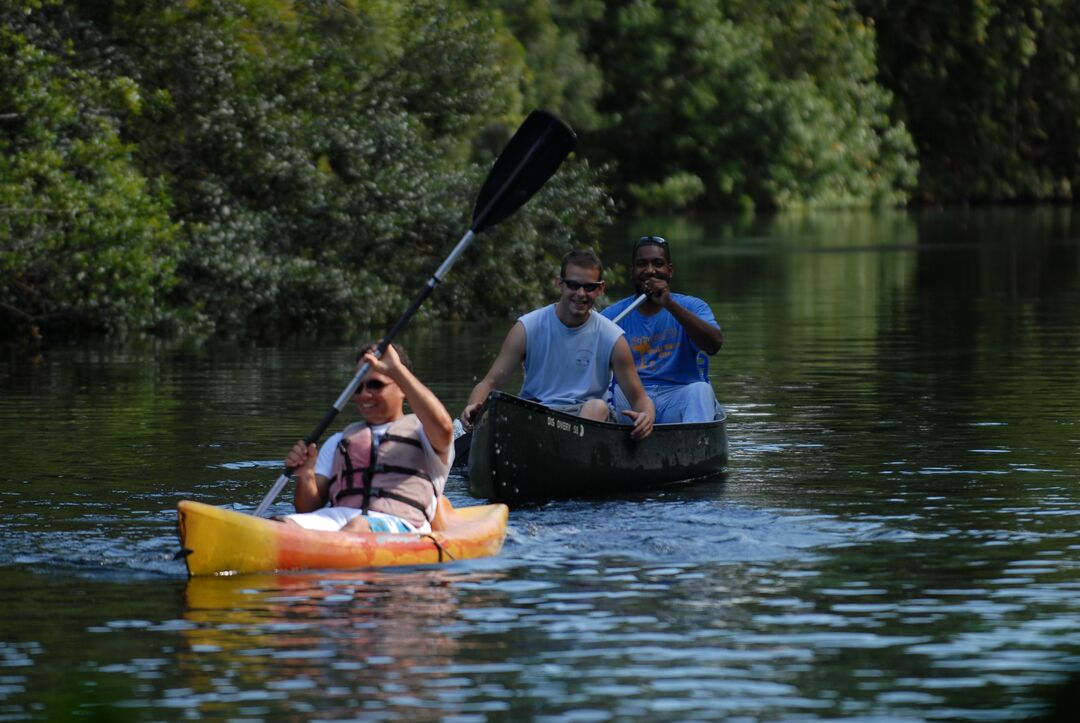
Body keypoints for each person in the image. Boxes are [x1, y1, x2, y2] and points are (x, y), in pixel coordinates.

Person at [461, 248, 655, 440]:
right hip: (536, 413)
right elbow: (490, 383)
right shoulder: (527, 328)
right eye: (573, 285)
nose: (580, 294)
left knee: (598, 406)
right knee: (499, 404)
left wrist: (646, 417)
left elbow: (639, 398)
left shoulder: (612, 337)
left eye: (589, 287)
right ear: (559, 284)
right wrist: (474, 406)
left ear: (600, 289)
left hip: (587, 417)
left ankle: (570, 457)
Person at [280, 342, 454, 534]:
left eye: (375, 385)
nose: (364, 394)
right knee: (282, 525)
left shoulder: (425, 432)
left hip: (402, 524)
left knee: (358, 526)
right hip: (339, 519)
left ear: (402, 387)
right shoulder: (338, 441)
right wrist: (306, 475)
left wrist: (396, 369)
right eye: (358, 386)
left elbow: (444, 428)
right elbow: (307, 510)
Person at [601, 235, 724, 424]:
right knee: (599, 396)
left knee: (701, 390)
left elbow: (714, 345)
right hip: (632, 400)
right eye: (642, 264)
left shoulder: (693, 306)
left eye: (658, 263)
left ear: (670, 270)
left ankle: (693, 449)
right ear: (632, 272)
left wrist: (670, 305)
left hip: (678, 396)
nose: (650, 271)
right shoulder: (613, 315)